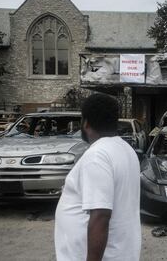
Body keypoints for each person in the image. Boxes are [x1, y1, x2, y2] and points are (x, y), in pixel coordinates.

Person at [55, 93, 141, 261]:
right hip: (120, 252)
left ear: (85, 123)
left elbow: (100, 215)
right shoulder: (125, 149)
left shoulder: (97, 155)